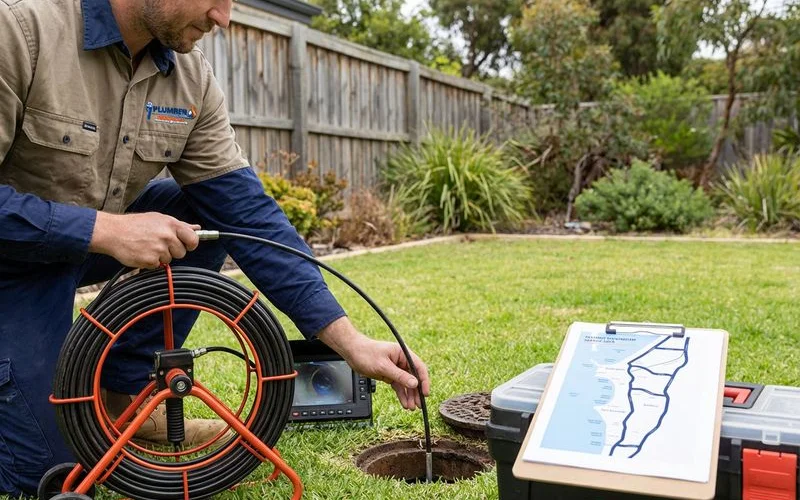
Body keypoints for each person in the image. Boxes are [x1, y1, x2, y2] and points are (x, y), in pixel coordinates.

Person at [0, 0, 431, 496]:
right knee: (56, 474)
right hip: (10, 265)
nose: (224, 18)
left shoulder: (190, 77)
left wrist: (352, 343)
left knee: (202, 218)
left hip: (68, 254)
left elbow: (247, 215)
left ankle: (123, 399)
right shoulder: (21, 29)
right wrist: (106, 231)